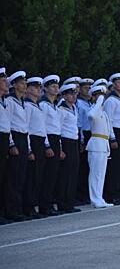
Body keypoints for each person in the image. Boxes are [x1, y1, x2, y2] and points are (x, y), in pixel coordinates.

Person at [5, 71, 29, 222]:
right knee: (12, 177)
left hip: (24, 138)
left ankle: (17, 208)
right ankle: (10, 210)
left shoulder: (23, 102)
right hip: (15, 137)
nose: (24, 85)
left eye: (25, 83)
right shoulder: (10, 102)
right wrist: (11, 143)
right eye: (21, 83)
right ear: (14, 85)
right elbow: (7, 123)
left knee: (21, 176)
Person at [103, 73, 120, 205]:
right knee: (114, 166)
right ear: (113, 85)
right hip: (114, 133)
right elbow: (108, 120)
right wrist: (112, 138)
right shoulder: (110, 101)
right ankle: (111, 194)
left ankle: (118, 192)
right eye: (119, 82)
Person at [23, 77, 47, 219]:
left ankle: (33, 206)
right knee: (31, 177)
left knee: (38, 176)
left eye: (39, 87)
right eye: (35, 87)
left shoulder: (37, 105)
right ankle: (28, 207)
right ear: (29, 89)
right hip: (33, 141)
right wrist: (30, 149)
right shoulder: (27, 106)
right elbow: (26, 128)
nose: (39, 90)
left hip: (40, 142)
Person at [38, 75, 62, 217]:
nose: (55, 88)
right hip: (47, 140)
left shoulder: (55, 106)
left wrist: (59, 146)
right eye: (52, 86)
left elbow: (57, 128)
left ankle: (49, 204)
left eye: (56, 86)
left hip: (55, 139)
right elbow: (43, 127)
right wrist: (47, 145)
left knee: (53, 175)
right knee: (46, 176)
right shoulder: (43, 105)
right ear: (45, 89)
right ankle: (44, 206)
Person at [86, 85, 113, 208]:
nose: (101, 98)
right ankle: (94, 198)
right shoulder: (93, 109)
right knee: (95, 174)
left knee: (101, 174)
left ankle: (99, 197)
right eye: (98, 95)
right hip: (96, 144)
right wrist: (99, 101)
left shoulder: (103, 112)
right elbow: (91, 115)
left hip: (103, 144)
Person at [57, 83, 81, 213]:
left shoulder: (74, 108)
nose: (74, 96)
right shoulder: (61, 109)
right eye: (71, 94)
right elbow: (58, 129)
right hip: (65, 142)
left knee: (73, 173)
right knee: (65, 174)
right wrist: (60, 148)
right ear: (65, 96)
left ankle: (69, 202)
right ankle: (63, 203)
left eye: (75, 94)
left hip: (74, 141)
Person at [0, 68, 10, 224]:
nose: (6, 82)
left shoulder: (5, 101)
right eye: (3, 80)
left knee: (4, 176)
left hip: (5, 138)